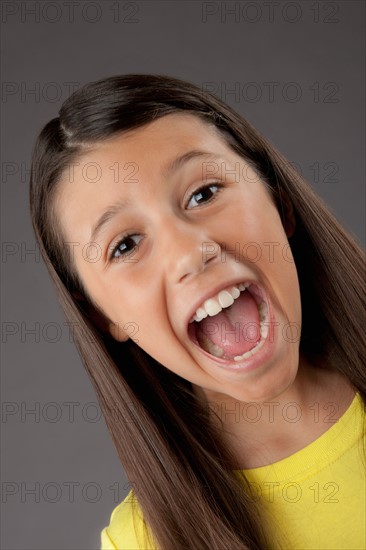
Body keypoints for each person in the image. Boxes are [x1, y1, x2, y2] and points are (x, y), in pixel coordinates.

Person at [29, 74, 365, 550]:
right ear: (105, 317)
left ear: (279, 201)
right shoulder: (142, 543)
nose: (189, 252)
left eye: (203, 194)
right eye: (125, 245)